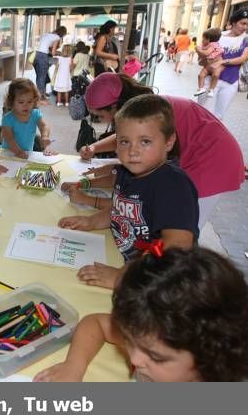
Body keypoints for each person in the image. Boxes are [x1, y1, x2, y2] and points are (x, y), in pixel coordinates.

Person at [34, 247, 248, 382]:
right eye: (130, 340)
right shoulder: (156, 333)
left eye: (157, 357)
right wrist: (74, 367)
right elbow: (97, 323)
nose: (134, 359)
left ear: (214, 356)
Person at [60, 94, 199, 289]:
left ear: (169, 142)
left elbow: (178, 245)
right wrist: (91, 221)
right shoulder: (126, 172)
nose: (132, 151)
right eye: (124, 142)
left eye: (145, 142)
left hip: (158, 281)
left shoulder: (174, 186)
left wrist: (123, 278)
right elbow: (120, 211)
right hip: (121, 256)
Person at [77, 72, 244, 230]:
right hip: (205, 150)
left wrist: (109, 177)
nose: (100, 120)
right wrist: (95, 148)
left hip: (214, 158)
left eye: (99, 116)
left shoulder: (153, 112)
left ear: (113, 108)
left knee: (179, 223)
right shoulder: (143, 109)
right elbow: (125, 138)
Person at [198, 8, 248, 120]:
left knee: (219, 116)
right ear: (233, 22)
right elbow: (203, 56)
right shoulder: (218, 35)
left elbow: (243, 58)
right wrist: (204, 55)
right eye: (242, 23)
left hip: (230, 82)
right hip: (210, 80)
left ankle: (212, 137)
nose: (245, 27)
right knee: (201, 112)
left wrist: (222, 61)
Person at [0, 78, 54, 159]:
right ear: (12, 101)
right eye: (21, 102)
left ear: (34, 100)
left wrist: (45, 137)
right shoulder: (8, 119)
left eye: (29, 101)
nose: (26, 105)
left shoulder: (35, 114)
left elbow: (44, 126)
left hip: (27, 153)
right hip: (8, 153)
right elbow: (9, 138)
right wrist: (18, 152)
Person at [33, 26, 67, 102]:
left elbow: (46, 47)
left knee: (40, 76)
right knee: (42, 76)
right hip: (43, 56)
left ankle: (41, 94)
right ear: (63, 34)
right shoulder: (57, 38)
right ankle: (41, 96)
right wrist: (60, 53)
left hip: (37, 54)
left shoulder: (48, 34)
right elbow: (53, 52)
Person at [194, 28, 224, 97]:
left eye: (203, 38)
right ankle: (201, 88)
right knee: (201, 75)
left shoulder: (213, 45)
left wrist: (198, 50)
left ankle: (211, 89)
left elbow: (206, 53)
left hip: (215, 65)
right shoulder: (207, 45)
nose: (202, 40)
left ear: (208, 39)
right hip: (208, 65)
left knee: (215, 76)